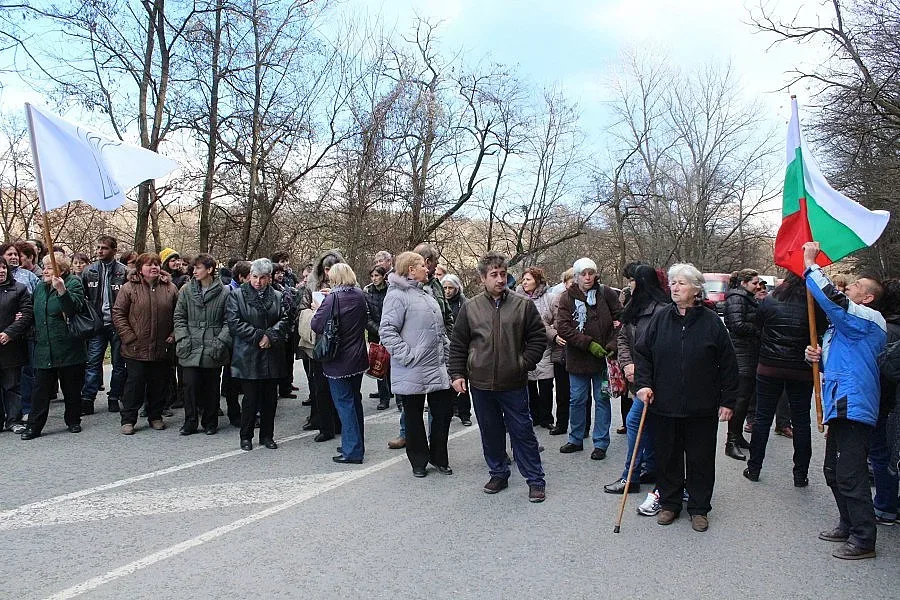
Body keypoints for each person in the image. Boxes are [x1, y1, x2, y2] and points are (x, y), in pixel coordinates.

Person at [633, 263, 738, 532]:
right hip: (664, 404)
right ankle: (670, 503)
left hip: (701, 406)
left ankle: (699, 508)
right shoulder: (660, 318)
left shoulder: (712, 322)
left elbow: (728, 364)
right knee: (668, 457)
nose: (675, 287)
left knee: (700, 459)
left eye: (681, 283)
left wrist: (728, 401)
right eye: (673, 283)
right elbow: (643, 352)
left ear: (696, 289)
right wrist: (643, 384)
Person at [802, 241, 886, 560]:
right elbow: (838, 362)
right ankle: (848, 523)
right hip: (839, 402)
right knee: (832, 471)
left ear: (868, 297)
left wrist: (811, 265)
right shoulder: (842, 328)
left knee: (850, 473)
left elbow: (833, 300)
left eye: (857, 285)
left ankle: (865, 539)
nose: (849, 286)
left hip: (855, 404)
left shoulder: (867, 318)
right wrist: (817, 357)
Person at [449, 251, 548, 502]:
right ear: (483, 278)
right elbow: (458, 344)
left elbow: (538, 338)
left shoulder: (522, 305)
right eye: (494, 274)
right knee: (490, 431)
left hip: (513, 381)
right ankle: (498, 473)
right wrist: (458, 373)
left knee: (522, 431)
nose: (500, 279)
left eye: (503, 274)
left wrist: (523, 363)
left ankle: (535, 480)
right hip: (481, 383)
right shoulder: (470, 308)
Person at [743, 274, 825, 487]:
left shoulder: (770, 300)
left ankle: (754, 467)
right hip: (801, 369)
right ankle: (800, 475)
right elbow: (821, 332)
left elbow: (759, 327)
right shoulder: (813, 304)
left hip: (769, 366)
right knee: (801, 422)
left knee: (762, 418)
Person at [380, 252, 455, 477]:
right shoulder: (396, 296)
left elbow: (438, 331)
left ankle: (439, 457)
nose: (427, 268)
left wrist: (449, 354)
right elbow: (387, 331)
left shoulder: (428, 294)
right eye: (422, 265)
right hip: (413, 367)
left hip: (437, 366)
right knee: (413, 417)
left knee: (443, 413)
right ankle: (419, 461)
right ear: (411, 270)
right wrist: (408, 355)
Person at [604, 264, 670, 494]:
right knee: (646, 423)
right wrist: (627, 363)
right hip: (636, 376)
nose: (629, 284)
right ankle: (649, 467)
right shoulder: (633, 306)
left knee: (635, 422)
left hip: (653, 380)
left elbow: (660, 350)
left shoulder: (663, 310)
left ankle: (629, 477)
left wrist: (641, 371)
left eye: (632, 280)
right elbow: (623, 338)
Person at [555, 257, 623, 460]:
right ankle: (575, 438)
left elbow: (621, 320)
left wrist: (612, 344)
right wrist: (587, 343)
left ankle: (601, 443)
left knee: (602, 400)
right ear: (576, 276)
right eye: (583, 274)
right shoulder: (567, 297)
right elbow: (563, 327)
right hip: (578, 359)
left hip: (603, 359)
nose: (587, 277)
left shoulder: (606, 293)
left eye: (590, 273)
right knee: (577, 400)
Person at [21, 253, 88, 439]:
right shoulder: (40, 288)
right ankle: (34, 426)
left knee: (71, 387)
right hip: (44, 346)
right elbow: (33, 312)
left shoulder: (73, 282)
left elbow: (74, 308)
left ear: (62, 269)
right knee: (40, 389)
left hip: (68, 346)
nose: (45, 271)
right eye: (44, 267)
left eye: (50, 267)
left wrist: (62, 291)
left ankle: (73, 420)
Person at [226, 258, 289, 451]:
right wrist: (258, 336)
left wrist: (270, 335)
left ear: (269, 278)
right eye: (254, 277)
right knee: (250, 399)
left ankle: (267, 436)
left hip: (271, 352)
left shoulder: (278, 296)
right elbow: (234, 322)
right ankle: (246, 436)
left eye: (262, 278)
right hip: (248, 352)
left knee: (270, 399)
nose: (257, 281)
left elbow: (285, 318)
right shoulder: (237, 295)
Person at [112, 252, 178, 435]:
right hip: (136, 346)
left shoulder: (170, 288)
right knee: (135, 384)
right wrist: (129, 337)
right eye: (149, 265)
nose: (154, 267)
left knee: (159, 383)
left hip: (162, 345)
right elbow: (118, 314)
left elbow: (179, 315)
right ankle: (128, 419)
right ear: (140, 269)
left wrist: (173, 335)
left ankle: (155, 416)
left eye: (157, 264)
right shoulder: (128, 288)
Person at [311, 262, 368, 464]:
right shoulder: (360, 294)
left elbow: (316, 325)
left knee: (344, 403)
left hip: (339, 359)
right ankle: (355, 443)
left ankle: (352, 450)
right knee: (355, 400)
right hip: (359, 356)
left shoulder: (332, 299)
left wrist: (320, 306)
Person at [174, 254, 231, 436]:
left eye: (199, 268)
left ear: (209, 270)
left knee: (211, 386)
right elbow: (179, 317)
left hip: (213, 344)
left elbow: (229, 322)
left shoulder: (224, 292)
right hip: (190, 343)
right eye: (194, 268)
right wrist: (183, 338)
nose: (194, 271)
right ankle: (190, 421)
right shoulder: (186, 290)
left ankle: (210, 421)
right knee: (189, 385)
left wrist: (220, 341)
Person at [80, 235, 128, 415]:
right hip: (97, 325)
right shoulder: (89, 271)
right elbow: (82, 297)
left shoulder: (124, 272)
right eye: (98, 247)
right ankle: (88, 398)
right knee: (93, 363)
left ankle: (114, 396)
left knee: (118, 363)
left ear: (114, 251)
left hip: (117, 325)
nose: (100, 251)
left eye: (104, 248)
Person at [303, 249, 344, 442]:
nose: (328, 273)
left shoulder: (347, 287)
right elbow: (301, 309)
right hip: (318, 341)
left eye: (332, 269)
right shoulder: (311, 285)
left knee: (340, 387)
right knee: (320, 386)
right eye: (325, 269)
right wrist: (314, 310)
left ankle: (339, 423)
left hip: (339, 342)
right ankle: (325, 426)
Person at [722, 268, 763, 461]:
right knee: (739, 400)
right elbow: (736, 325)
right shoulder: (736, 299)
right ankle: (730, 441)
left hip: (749, 352)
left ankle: (737, 436)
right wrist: (758, 330)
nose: (758, 286)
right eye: (754, 283)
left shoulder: (746, 298)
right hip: (740, 354)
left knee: (745, 399)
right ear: (744, 283)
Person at [871, 279, 899, 526]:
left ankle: (885, 507)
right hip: (888, 404)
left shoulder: (888, 330)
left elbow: (885, 371)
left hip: (884, 403)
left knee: (882, 454)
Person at [516, 267, 555, 429]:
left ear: (537, 281)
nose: (525, 282)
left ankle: (547, 418)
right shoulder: (517, 298)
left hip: (545, 347)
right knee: (529, 385)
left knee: (546, 385)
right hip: (525, 347)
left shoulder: (550, 298)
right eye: (523, 279)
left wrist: (549, 331)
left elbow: (557, 319)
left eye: (528, 279)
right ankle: (534, 416)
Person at [0, 256, 33, 434]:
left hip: (11, 345)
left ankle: (13, 419)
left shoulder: (19, 289)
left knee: (12, 385)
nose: (1, 271)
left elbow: (26, 314)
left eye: (3, 268)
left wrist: (9, 333)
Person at [545, 268, 574, 436]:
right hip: (560, 352)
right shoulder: (556, 299)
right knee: (562, 392)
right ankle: (561, 423)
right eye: (571, 282)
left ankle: (582, 427)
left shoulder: (588, 300)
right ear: (565, 283)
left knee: (580, 395)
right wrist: (554, 335)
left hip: (579, 352)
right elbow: (543, 322)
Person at [442, 273, 471, 425]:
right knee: (447, 381)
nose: (447, 291)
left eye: (450, 288)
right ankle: (451, 409)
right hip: (445, 346)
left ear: (457, 288)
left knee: (462, 379)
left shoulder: (464, 303)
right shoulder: (439, 302)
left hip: (460, 345)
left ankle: (464, 413)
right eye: (445, 288)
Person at [364, 265, 391, 411]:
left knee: (393, 365)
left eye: (377, 276)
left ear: (383, 276)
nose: (374, 279)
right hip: (376, 333)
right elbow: (366, 317)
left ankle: (397, 396)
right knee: (379, 365)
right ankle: (383, 397)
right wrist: (378, 330)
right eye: (372, 276)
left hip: (392, 332)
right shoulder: (367, 292)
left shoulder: (391, 290)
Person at [272, 263, 299, 399]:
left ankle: (286, 386)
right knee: (279, 361)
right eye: (277, 273)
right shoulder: (272, 289)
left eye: (282, 272)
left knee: (288, 359)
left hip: (289, 327)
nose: (280, 275)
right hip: (279, 330)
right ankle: (279, 388)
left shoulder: (285, 287)